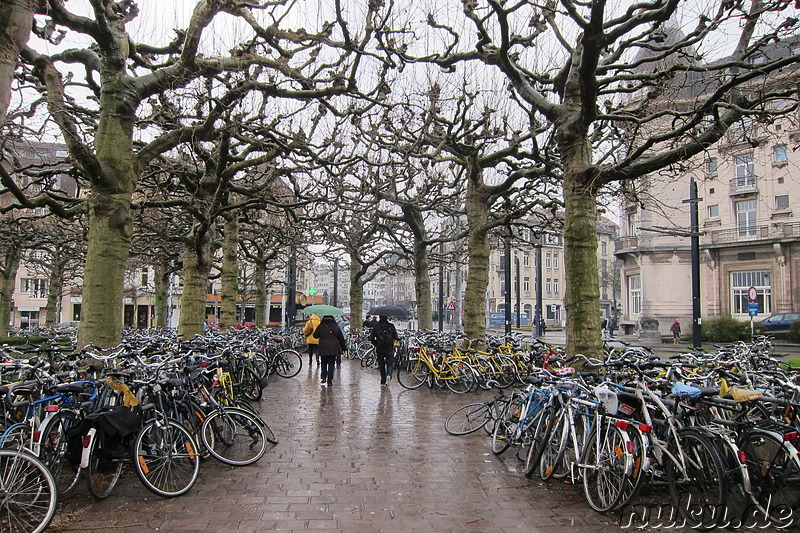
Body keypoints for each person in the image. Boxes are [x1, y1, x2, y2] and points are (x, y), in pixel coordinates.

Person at [313, 315, 347, 387]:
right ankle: (329, 380)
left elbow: (315, 335)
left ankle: (323, 377)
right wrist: (344, 348)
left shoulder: (321, 326)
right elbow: (341, 338)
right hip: (333, 348)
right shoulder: (335, 326)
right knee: (331, 364)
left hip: (323, 347)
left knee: (323, 362)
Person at [368, 315, 399, 387]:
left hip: (380, 348)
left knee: (381, 364)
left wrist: (376, 344)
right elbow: (396, 337)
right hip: (389, 348)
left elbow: (371, 338)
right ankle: (389, 375)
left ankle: (383, 380)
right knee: (390, 363)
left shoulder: (376, 326)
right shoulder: (391, 326)